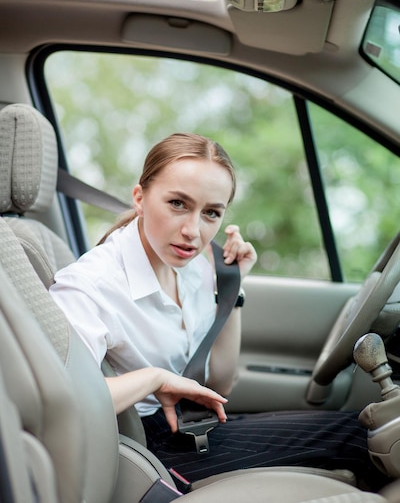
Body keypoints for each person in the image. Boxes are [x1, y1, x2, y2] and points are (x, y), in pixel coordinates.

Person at [49, 132, 387, 491]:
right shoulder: (92, 284)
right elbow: (65, 400)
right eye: (178, 203)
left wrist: (231, 288)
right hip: (146, 451)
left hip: (190, 423)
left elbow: (219, 383)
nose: (193, 231)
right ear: (140, 198)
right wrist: (154, 379)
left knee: (364, 428)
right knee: (362, 436)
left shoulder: (195, 267)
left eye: (211, 213)